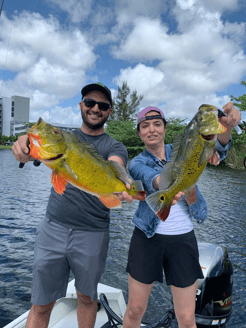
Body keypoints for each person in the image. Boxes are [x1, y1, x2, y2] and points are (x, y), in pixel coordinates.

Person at [12, 82, 133, 328]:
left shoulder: (114, 145)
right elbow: (30, 148)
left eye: (103, 105)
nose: (95, 108)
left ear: (109, 112)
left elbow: (116, 163)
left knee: (87, 299)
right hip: (52, 229)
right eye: (90, 102)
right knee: (41, 303)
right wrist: (25, 143)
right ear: (81, 106)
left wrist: (124, 182)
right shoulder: (65, 137)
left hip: (93, 233)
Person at [122, 103, 241, 328]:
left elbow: (219, 151)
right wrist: (168, 186)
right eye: (145, 126)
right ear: (139, 133)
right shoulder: (136, 162)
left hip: (183, 240)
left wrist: (226, 127)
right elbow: (151, 178)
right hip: (146, 239)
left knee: (186, 317)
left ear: (165, 129)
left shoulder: (186, 146)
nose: (152, 129)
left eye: (157, 124)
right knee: (135, 309)